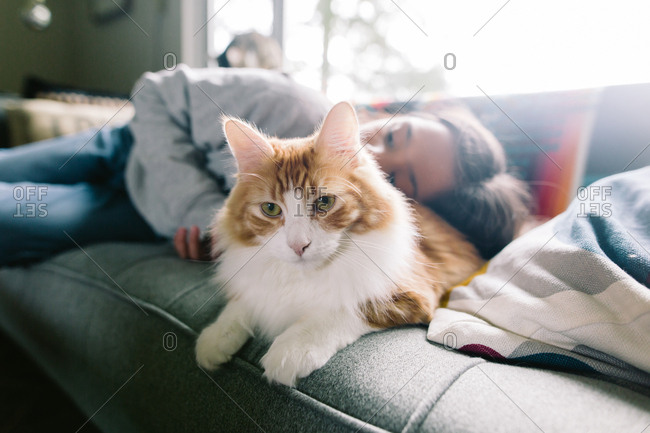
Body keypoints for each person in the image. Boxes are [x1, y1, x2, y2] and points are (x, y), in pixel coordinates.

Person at [0, 65, 529, 267]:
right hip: (121, 146)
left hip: (133, 210)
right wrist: (200, 210)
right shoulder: (291, 104)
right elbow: (155, 89)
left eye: (397, 179)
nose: (375, 154)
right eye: (394, 135)